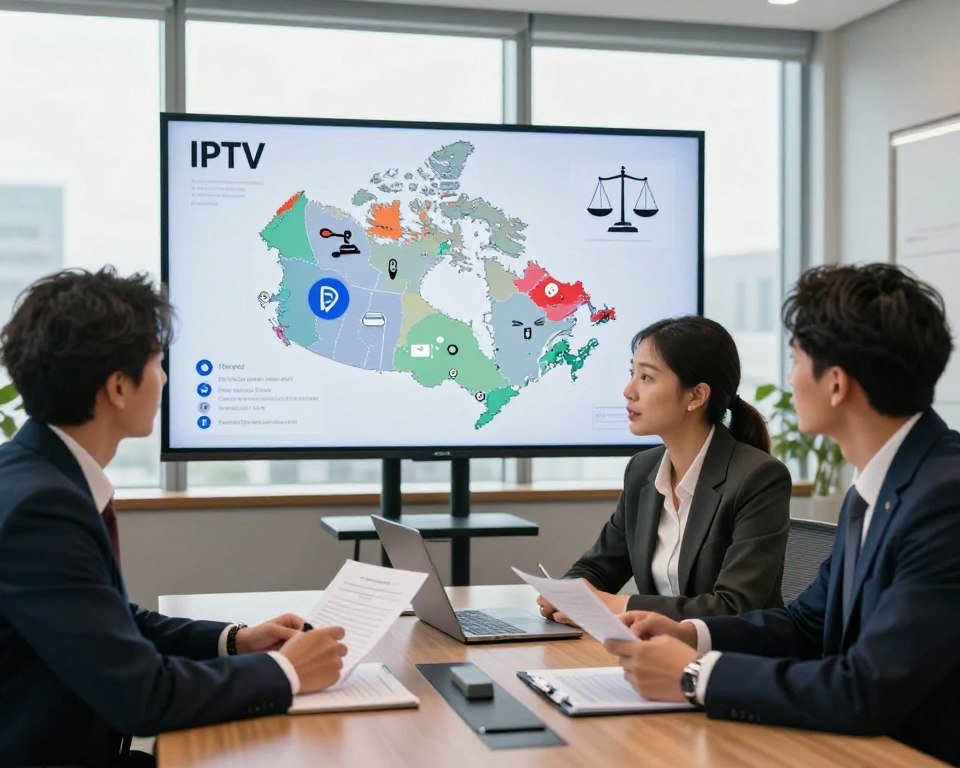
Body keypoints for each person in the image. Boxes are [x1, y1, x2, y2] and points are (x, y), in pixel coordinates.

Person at [605, 264, 960, 765]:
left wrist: (694, 675)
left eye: (795, 360)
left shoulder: (944, 499)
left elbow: (866, 688)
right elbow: (806, 625)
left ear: (835, 384)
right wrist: (689, 634)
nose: (789, 378)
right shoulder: (877, 485)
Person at [0, 268, 348, 768]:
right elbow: (143, 697)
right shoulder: (42, 509)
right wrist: (284, 672)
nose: (164, 379)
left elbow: (108, 620)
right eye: (159, 362)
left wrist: (235, 641)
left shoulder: (35, 472)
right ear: (118, 387)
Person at [538, 316, 792, 623]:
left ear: (696, 395)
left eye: (646, 377)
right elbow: (598, 568)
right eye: (632, 373)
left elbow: (734, 608)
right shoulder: (642, 470)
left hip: (731, 659)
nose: (628, 391)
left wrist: (618, 605)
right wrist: (566, 595)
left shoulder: (758, 477)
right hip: (655, 652)